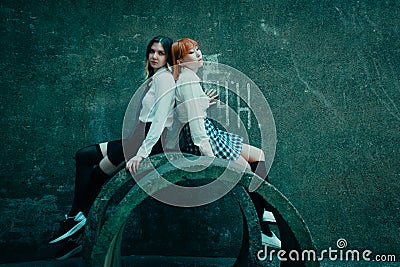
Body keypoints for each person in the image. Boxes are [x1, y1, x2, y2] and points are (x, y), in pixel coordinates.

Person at [49, 36, 176, 260]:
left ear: (168, 56)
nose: (155, 56)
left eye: (161, 53)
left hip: (149, 140)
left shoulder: (165, 79)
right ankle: (78, 221)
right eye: (152, 51)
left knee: (94, 168)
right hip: (137, 135)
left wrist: (141, 154)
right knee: (88, 160)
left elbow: (159, 122)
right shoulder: (156, 77)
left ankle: (77, 220)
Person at [170, 38, 281, 249]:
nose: (199, 54)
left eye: (198, 50)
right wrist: (208, 155)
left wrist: (203, 101)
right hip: (202, 139)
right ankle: (262, 227)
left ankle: (264, 211)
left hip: (209, 132)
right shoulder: (188, 82)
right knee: (247, 169)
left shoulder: (188, 79)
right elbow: (194, 123)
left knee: (258, 155)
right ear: (181, 61)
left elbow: (191, 109)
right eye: (192, 53)